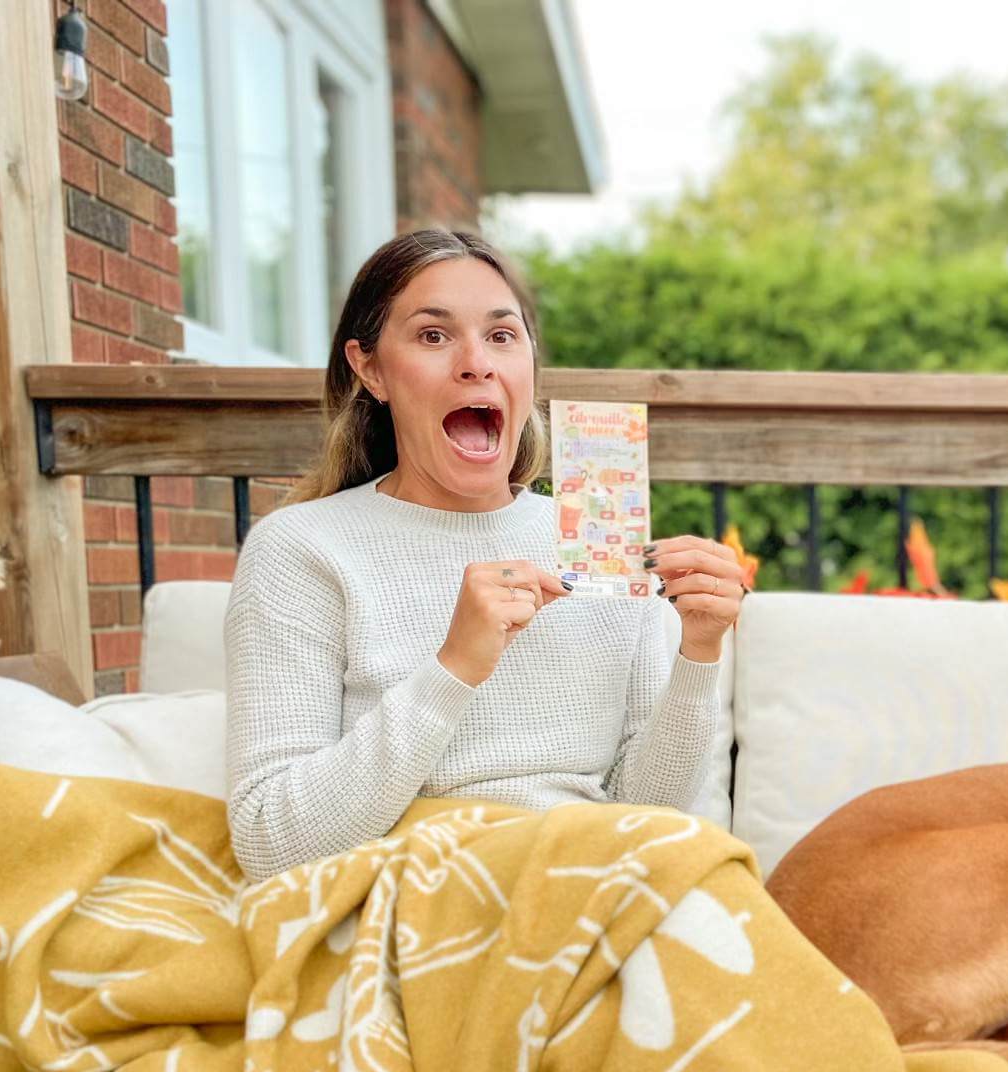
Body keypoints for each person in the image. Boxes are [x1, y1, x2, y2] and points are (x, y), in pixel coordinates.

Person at [223, 229, 745, 882]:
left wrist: (698, 653)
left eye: (501, 335)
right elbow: (270, 842)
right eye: (433, 335)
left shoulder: (602, 544)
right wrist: (456, 666)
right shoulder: (301, 549)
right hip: (412, 886)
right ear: (371, 369)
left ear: (529, 366)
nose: (477, 363)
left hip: (587, 881)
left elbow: (645, 814)